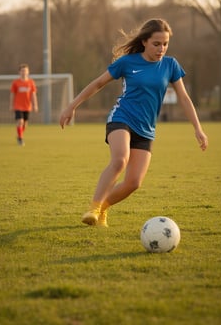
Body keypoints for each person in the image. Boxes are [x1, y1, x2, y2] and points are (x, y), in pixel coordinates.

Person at [59, 18, 208, 228]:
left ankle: (104, 207)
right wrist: (71, 106)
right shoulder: (127, 62)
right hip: (122, 118)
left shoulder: (170, 65)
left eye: (165, 44)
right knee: (120, 160)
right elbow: (98, 83)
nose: (161, 48)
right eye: (157, 44)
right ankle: (93, 208)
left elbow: (183, 97)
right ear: (145, 41)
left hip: (147, 129)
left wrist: (198, 128)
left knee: (133, 183)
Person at [10, 64, 38, 146]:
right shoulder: (15, 83)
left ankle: (19, 134)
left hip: (27, 106)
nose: (24, 72)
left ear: (28, 72)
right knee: (20, 121)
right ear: (19, 72)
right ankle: (20, 138)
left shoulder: (31, 82)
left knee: (25, 124)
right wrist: (11, 105)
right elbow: (12, 94)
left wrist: (35, 105)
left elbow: (33, 94)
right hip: (18, 106)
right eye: (22, 70)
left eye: (25, 70)